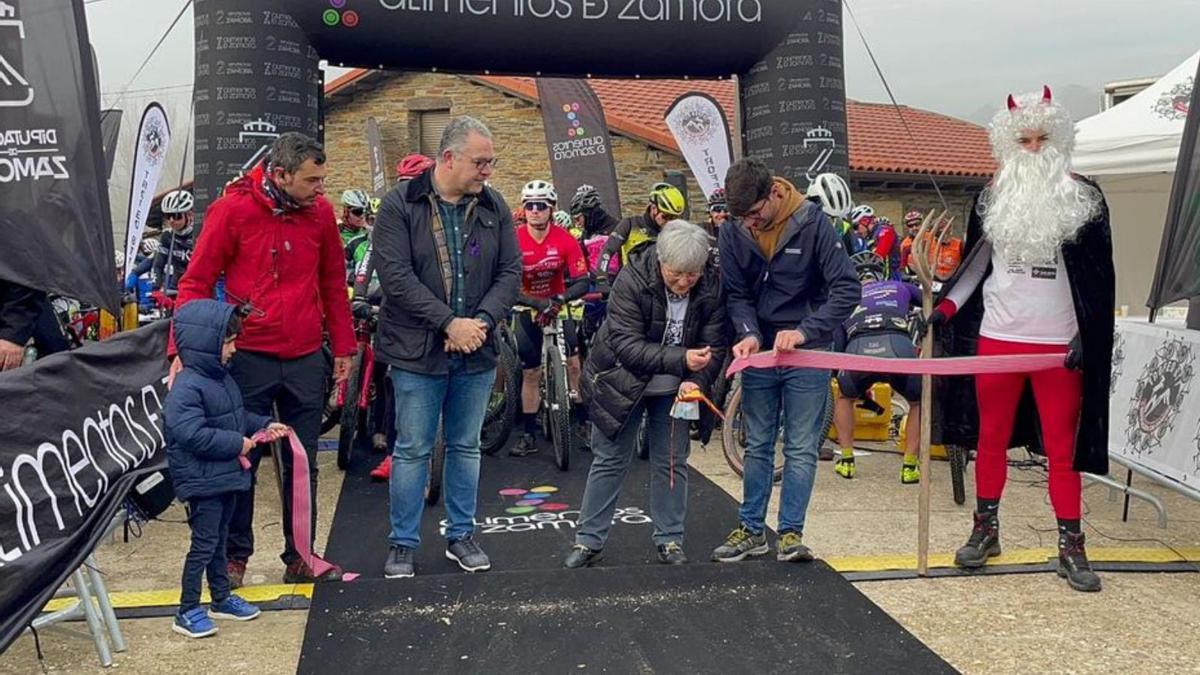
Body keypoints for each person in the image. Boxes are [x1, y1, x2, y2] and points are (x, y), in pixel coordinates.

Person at [930, 87, 1114, 592]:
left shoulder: (1086, 199)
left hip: (1058, 348)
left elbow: (1100, 279)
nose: (1033, 149)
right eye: (1024, 140)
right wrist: (946, 308)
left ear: (1059, 141)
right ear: (1008, 145)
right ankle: (985, 530)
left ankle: (1071, 545)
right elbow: (975, 264)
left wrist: (1089, 334)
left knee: (1062, 448)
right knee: (989, 438)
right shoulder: (991, 198)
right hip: (999, 339)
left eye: (1042, 139)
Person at [170, 132, 356, 587]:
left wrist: (345, 348)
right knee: (243, 458)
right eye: (312, 180)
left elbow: (334, 282)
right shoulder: (231, 210)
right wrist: (181, 351)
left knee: (302, 461)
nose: (320, 188)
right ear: (280, 174)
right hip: (247, 356)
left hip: (306, 355)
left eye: (322, 179)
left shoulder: (321, 214)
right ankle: (236, 556)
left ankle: (300, 555)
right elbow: (195, 283)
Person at [372, 116, 521, 579]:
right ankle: (402, 544)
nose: (487, 171)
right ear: (449, 158)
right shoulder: (399, 205)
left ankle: (461, 536)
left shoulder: (494, 206)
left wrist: (480, 321)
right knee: (413, 448)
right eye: (481, 162)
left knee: (466, 446)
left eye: (490, 162)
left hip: (475, 349)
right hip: (417, 352)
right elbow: (395, 277)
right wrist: (448, 323)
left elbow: (510, 272)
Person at [713, 158, 860, 563]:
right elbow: (736, 293)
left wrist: (806, 330)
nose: (750, 226)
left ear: (775, 193)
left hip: (807, 350)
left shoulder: (813, 223)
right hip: (760, 352)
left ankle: (791, 534)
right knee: (758, 443)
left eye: (756, 216)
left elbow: (846, 290)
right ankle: (751, 529)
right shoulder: (734, 228)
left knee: (799, 446)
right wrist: (747, 333)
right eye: (741, 219)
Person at [565, 221, 726, 568]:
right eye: (677, 274)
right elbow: (625, 344)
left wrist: (697, 378)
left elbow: (716, 343)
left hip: (676, 389)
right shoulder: (632, 279)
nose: (684, 282)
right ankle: (588, 541)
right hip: (622, 379)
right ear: (660, 262)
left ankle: (670, 539)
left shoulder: (711, 285)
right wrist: (681, 358)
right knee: (610, 459)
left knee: (671, 461)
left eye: (692, 275)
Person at [165, 299, 290, 638]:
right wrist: (238, 444)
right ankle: (187, 609)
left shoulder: (221, 379)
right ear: (205, 344)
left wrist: (265, 424)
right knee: (203, 545)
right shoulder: (187, 388)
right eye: (228, 341)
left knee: (219, 542)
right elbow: (191, 434)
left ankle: (220, 597)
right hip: (202, 482)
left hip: (224, 479)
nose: (234, 349)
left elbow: (237, 416)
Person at [366, 154, 437, 483]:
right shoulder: (390, 216)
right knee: (395, 383)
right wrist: (361, 296)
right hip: (399, 317)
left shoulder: (442, 216)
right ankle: (393, 452)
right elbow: (371, 262)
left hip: (439, 316)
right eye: (405, 185)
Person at [510, 180, 591, 457]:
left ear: (551, 209)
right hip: (526, 305)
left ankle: (582, 424)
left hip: (558, 304)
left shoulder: (565, 238)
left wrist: (558, 300)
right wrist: (536, 303)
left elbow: (582, 281)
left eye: (540, 206)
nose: (534, 211)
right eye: (529, 206)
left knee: (574, 365)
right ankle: (529, 434)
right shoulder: (515, 240)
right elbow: (507, 285)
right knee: (530, 372)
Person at [831, 263, 924, 483]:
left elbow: (838, 340)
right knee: (918, 403)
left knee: (845, 397)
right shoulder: (898, 285)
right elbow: (929, 301)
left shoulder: (846, 296)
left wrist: (849, 382)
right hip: (897, 342)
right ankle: (910, 465)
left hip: (858, 344)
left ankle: (846, 461)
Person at [596, 183, 686, 279]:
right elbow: (608, 250)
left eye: (674, 218)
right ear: (654, 208)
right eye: (666, 216)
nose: (669, 222)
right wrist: (602, 277)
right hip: (631, 283)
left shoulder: (674, 232)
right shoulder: (630, 224)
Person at [152, 189, 196, 293]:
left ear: (189, 215)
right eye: (168, 216)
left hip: (197, 286)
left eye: (176, 216)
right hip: (176, 286)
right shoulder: (167, 236)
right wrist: (155, 289)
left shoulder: (199, 234)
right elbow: (158, 265)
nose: (171, 220)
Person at [339, 188, 372, 282]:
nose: (362, 216)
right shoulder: (336, 233)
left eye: (366, 211)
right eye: (357, 212)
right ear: (346, 212)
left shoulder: (370, 232)